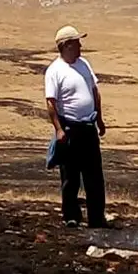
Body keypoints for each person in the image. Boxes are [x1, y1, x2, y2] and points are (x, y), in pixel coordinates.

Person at [44, 25, 110, 229]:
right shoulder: (54, 71)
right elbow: (51, 102)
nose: (81, 45)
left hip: (88, 126)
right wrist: (58, 129)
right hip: (69, 128)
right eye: (77, 42)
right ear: (66, 46)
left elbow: (94, 90)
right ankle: (71, 216)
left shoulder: (84, 64)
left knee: (94, 176)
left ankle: (97, 217)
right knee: (70, 176)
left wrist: (99, 117)